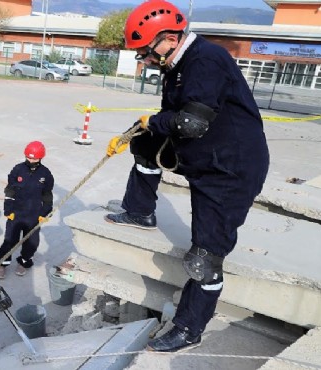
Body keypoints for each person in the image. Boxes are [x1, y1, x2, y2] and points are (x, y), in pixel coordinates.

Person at [105, 0, 269, 352]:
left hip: (229, 171)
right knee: (145, 138)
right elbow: (174, 117)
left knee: (203, 259)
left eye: (146, 52)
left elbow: (189, 123)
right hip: (205, 154)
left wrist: (154, 121)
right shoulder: (179, 63)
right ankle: (141, 210)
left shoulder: (206, 61)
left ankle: (189, 328)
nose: (145, 60)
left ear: (169, 38)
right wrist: (143, 127)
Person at [0, 141, 54, 278]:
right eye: (29, 157)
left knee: (32, 243)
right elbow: (10, 190)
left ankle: (24, 262)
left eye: (34, 158)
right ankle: (2, 263)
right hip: (17, 213)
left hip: (34, 215)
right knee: (10, 240)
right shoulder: (18, 170)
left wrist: (45, 212)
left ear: (40, 157)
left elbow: (47, 195)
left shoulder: (45, 174)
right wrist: (8, 210)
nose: (31, 160)